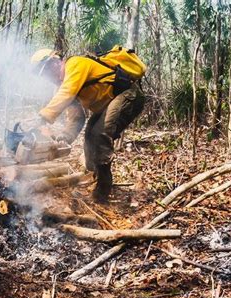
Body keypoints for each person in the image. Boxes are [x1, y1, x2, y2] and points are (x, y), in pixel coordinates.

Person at [29, 48, 146, 203]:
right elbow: (77, 118)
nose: (48, 76)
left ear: (56, 61)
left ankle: (102, 193)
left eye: (48, 70)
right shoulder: (68, 84)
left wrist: (42, 118)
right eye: (44, 74)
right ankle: (95, 177)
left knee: (99, 135)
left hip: (129, 94)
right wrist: (65, 137)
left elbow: (66, 93)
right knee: (89, 138)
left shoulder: (75, 64)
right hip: (109, 103)